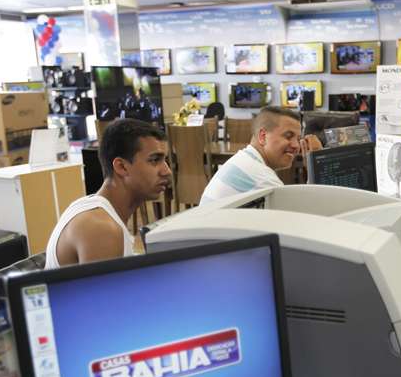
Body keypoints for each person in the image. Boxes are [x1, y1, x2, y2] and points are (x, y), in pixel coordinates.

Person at [45, 118, 171, 268]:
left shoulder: (95, 210)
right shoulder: (101, 228)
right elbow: (104, 292)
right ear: (122, 167)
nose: (167, 171)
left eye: (165, 160)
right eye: (155, 160)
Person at [200, 106, 322, 204]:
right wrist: (318, 165)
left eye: (298, 138)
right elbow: (306, 218)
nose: (296, 145)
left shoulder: (246, 160)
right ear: (263, 136)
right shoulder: (261, 180)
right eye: (288, 136)